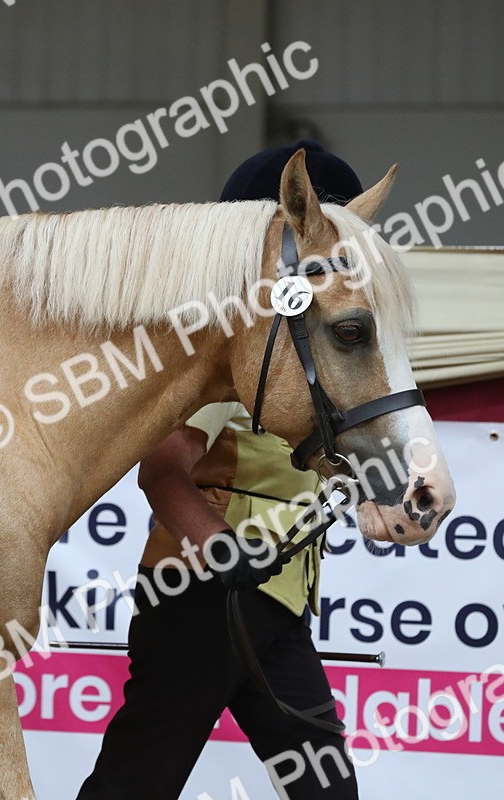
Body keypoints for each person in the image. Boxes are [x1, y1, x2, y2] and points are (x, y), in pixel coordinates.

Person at [76, 141, 363, 800]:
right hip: (200, 597)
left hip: (277, 603)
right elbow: (162, 470)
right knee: (136, 781)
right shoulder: (228, 362)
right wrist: (220, 547)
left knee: (327, 788)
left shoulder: (298, 364)